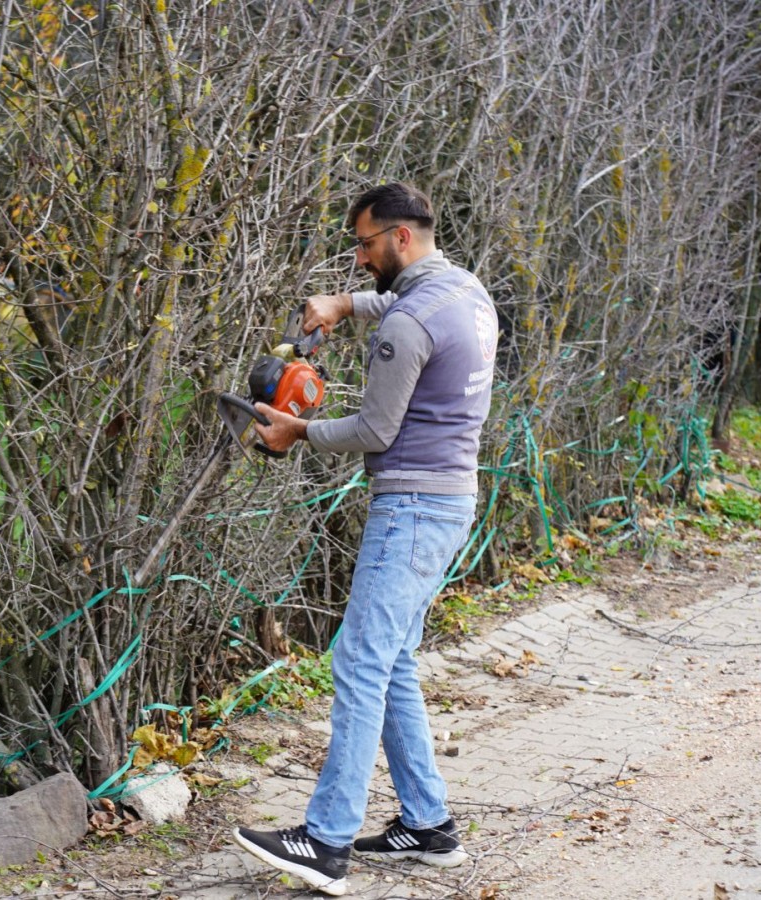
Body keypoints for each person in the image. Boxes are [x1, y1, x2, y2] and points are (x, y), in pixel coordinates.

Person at [232, 182, 499, 896]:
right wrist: (344, 305)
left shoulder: (407, 324)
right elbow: (405, 306)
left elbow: (374, 430)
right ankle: (427, 824)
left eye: (364, 244)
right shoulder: (465, 292)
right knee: (392, 660)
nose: (357, 259)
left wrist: (296, 431)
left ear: (400, 239)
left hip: (409, 506)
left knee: (356, 659)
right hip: (450, 500)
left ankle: (324, 841)